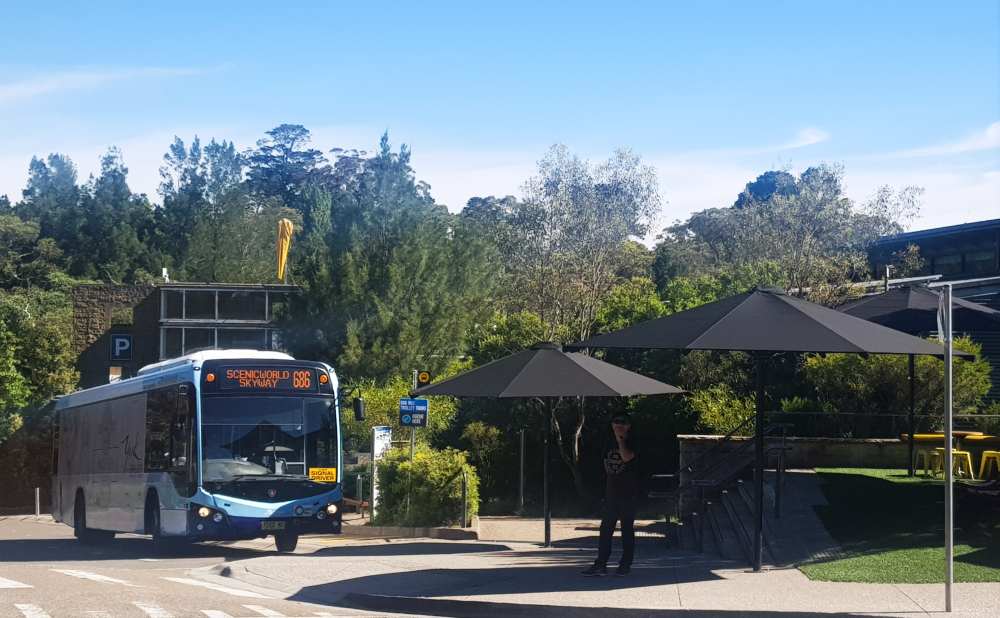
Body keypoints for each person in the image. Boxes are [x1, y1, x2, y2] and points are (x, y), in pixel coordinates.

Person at [583, 413, 643, 577]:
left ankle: (625, 565)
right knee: (605, 530)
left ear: (629, 426)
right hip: (611, 494)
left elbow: (626, 457)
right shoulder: (606, 442)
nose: (619, 425)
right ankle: (601, 564)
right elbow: (604, 464)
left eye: (623, 422)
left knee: (626, 530)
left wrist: (621, 440)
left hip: (629, 494)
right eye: (616, 422)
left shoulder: (633, 441)